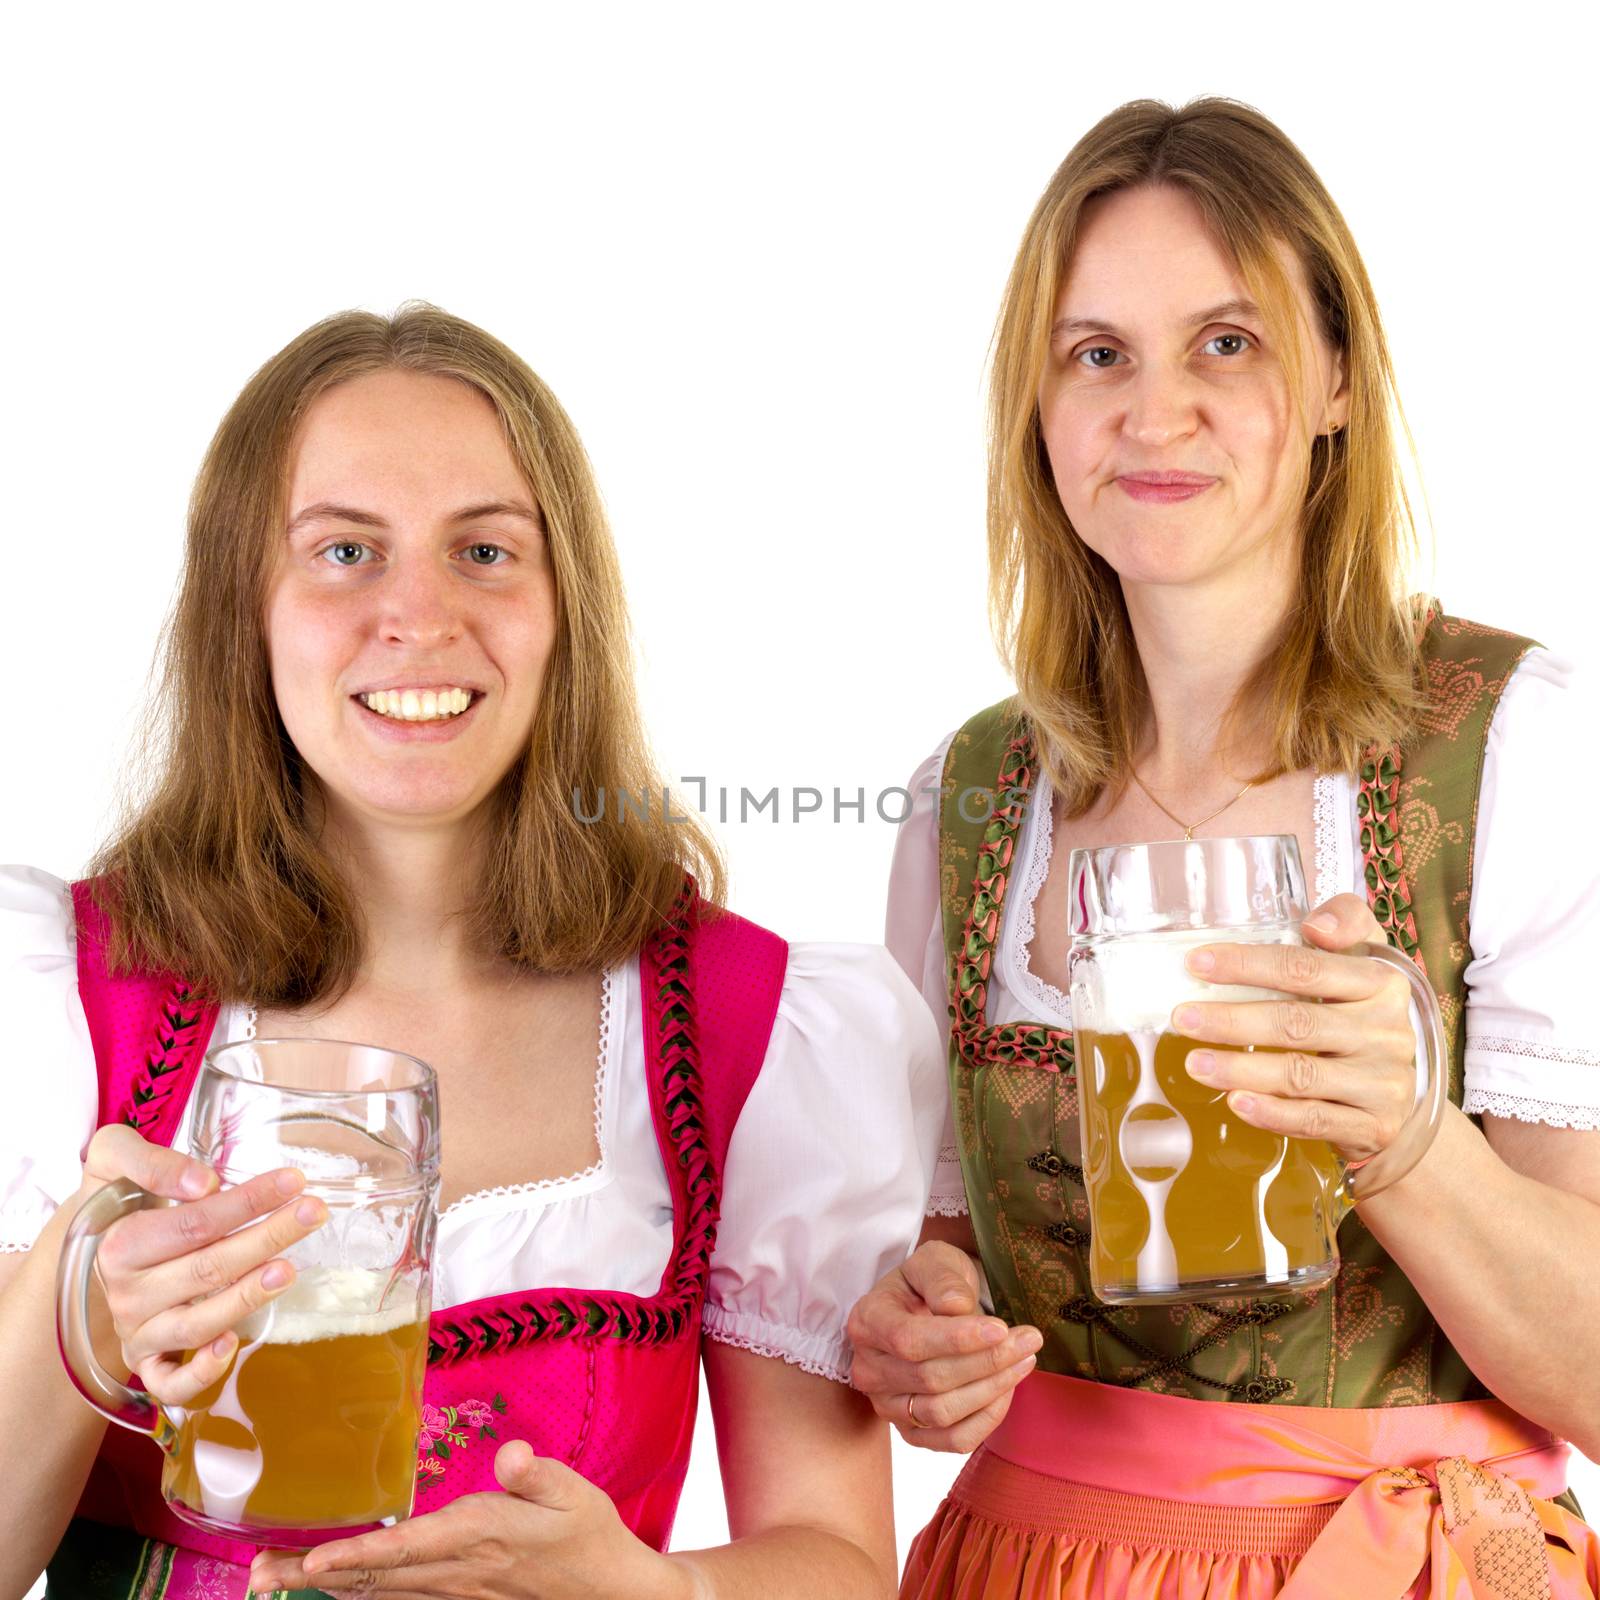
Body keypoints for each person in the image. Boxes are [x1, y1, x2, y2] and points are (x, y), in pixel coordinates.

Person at [0, 304, 942, 1600]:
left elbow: (838, 1561)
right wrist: (79, 1305)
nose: (420, 615)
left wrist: (652, 1593)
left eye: (486, 551)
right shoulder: (68, 1003)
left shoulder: (739, 1028)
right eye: (343, 551)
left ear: (565, 608)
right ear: (246, 607)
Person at [846, 97, 1600, 1597]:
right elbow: (935, 1260)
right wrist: (911, 1335)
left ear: (1333, 376)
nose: (1154, 412)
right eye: (1098, 354)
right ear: (1040, 406)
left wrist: (1407, 1140)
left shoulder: (1519, 744)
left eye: (1227, 343)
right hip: (1027, 1567)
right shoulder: (969, 795)